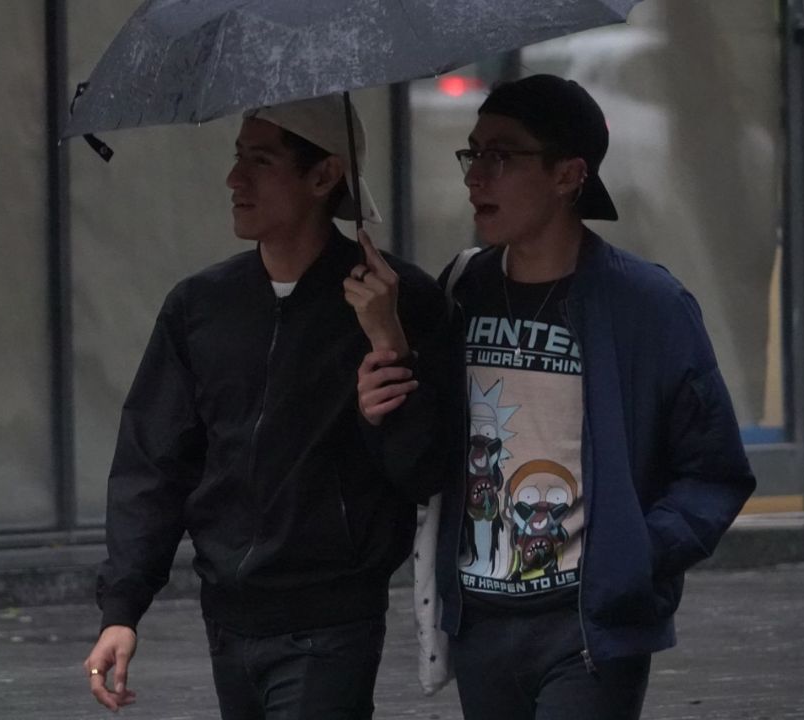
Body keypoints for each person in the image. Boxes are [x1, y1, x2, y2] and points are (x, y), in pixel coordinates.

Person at [359, 74, 757, 719]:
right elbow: (422, 464)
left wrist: (631, 557)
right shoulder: (462, 288)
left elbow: (713, 472)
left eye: (502, 155)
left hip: (587, 629)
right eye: (472, 153)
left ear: (569, 174)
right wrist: (388, 375)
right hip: (481, 623)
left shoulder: (647, 305)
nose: (475, 176)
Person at [82, 94, 457, 719]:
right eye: (238, 158)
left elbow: (425, 470)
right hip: (227, 621)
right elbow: (153, 464)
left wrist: (387, 339)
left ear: (324, 176)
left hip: (331, 624)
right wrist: (122, 610)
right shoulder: (199, 306)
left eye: (260, 161)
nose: (235, 179)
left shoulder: (400, 302)